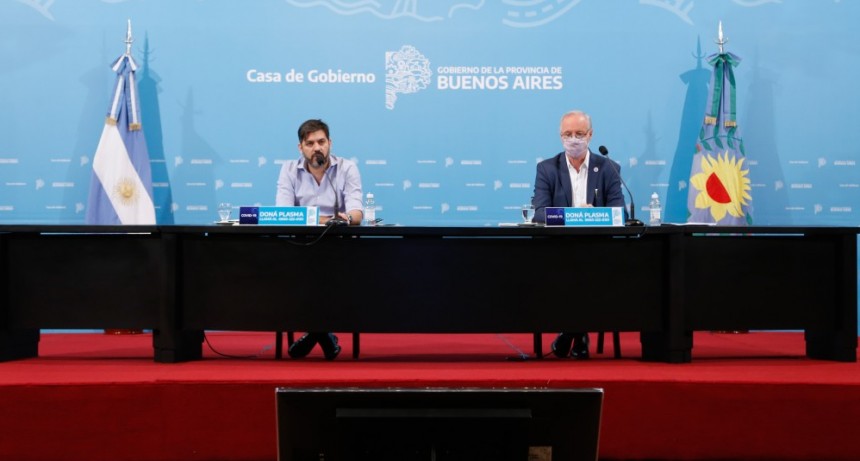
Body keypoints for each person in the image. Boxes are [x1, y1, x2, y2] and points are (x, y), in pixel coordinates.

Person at [532, 110, 625, 360]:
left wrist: (594, 214)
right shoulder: (547, 169)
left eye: (579, 134)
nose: (573, 139)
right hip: (558, 250)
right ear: (560, 136)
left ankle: (570, 333)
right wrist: (574, 215)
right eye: (568, 134)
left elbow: (619, 212)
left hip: (598, 250)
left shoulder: (608, 168)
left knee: (586, 267)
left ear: (591, 135)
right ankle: (579, 334)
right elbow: (539, 213)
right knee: (572, 268)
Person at [275, 118, 364, 360]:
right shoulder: (289, 170)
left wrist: (342, 219)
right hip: (300, 246)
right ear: (301, 148)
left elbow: (356, 214)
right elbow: (284, 214)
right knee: (301, 270)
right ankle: (322, 333)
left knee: (326, 270)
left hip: (340, 247)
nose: (317, 148)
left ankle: (315, 333)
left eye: (322, 142)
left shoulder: (347, 168)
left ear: (330, 143)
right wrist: (326, 219)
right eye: (310, 143)